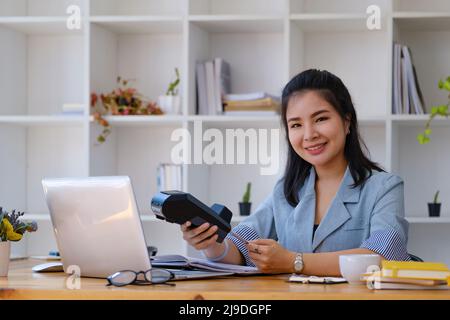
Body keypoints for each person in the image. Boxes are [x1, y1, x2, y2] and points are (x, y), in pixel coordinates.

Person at [180, 69, 410, 276]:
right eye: (296, 125)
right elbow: (242, 248)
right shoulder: (286, 190)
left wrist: (293, 262)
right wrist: (210, 243)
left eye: (320, 119)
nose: (309, 135)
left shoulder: (384, 187)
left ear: (347, 121)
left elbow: (384, 256)